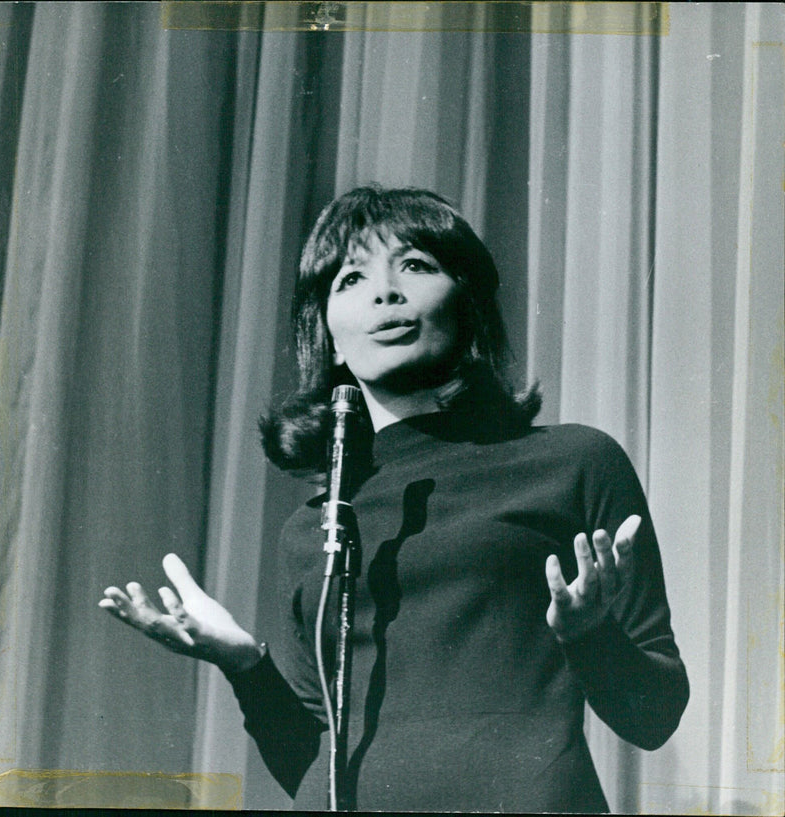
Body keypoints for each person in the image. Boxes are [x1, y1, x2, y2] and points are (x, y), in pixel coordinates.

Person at [99, 185, 689, 813]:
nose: (385, 292)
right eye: (351, 278)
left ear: (467, 301)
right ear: (325, 330)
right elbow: (316, 770)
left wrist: (590, 633)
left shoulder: (574, 462)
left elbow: (654, 718)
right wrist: (246, 667)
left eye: (415, 265)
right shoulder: (315, 528)